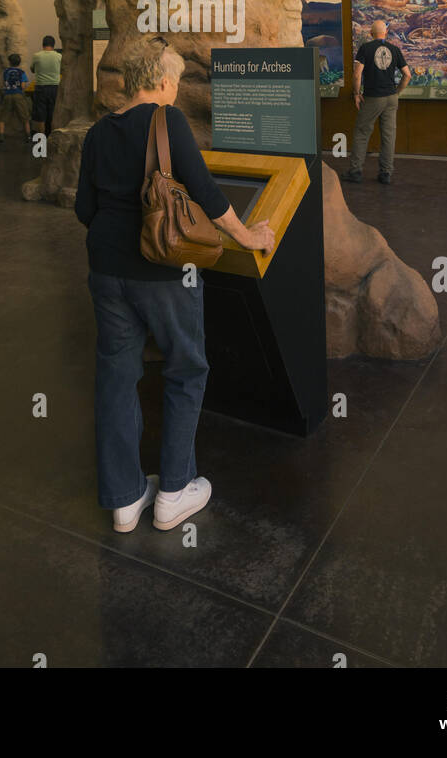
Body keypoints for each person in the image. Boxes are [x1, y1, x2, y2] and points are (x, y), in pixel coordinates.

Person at [74, 36, 275, 534]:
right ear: (163, 82)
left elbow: (83, 208)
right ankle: (174, 491)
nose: (178, 90)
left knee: (117, 378)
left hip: (105, 271)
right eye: (177, 81)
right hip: (163, 271)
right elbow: (205, 192)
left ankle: (123, 500)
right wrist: (249, 235)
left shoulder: (99, 133)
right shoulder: (168, 121)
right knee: (186, 368)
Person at [346, 19, 411, 184]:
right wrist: (397, 92)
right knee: (389, 136)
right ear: (386, 33)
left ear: (370, 33)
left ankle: (355, 172)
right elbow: (407, 75)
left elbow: (356, 74)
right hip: (391, 98)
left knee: (362, 133)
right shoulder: (395, 49)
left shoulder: (365, 49)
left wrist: (356, 93)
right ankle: (386, 174)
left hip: (373, 98)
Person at [0, 52, 31, 146]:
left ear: (9, 62)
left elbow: (4, 82)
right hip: (18, 95)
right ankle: (28, 135)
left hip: (7, 95)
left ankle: (1, 135)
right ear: (19, 62)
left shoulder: (6, 72)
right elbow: (23, 86)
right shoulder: (22, 72)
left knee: (3, 115)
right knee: (25, 116)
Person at [31, 34, 62, 139]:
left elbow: (33, 69)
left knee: (40, 116)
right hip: (54, 88)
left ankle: (41, 143)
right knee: (53, 113)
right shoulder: (59, 56)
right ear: (53, 45)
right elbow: (62, 69)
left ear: (43, 44)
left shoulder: (37, 56)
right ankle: (52, 140)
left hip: (41, 88)